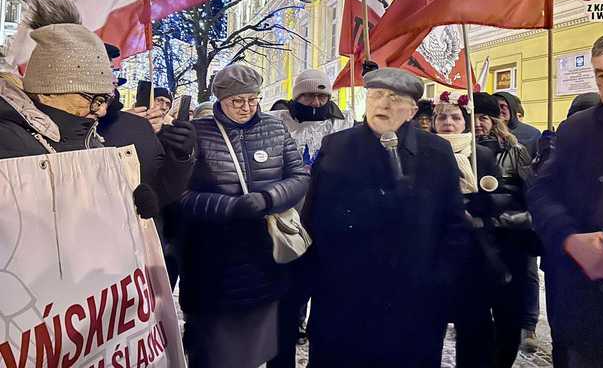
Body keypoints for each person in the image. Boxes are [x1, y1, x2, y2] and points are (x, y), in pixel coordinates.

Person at [304, 68, 469, 368]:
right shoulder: (337, 147)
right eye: (376, 95)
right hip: (345, 300)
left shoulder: (436, 152)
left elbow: (453, 224)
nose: (383, 104)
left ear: (412, 110)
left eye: (394, 98)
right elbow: (314, 218)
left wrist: (438, 280)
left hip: (412, 303)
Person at [178, 64, 310, 368]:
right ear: (219, 101)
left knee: (265, 335)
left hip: (267, 251)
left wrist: (268, 198)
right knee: (219, 343)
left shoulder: (275, 128)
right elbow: (181, 196)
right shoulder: (199, 133)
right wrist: (230, 207)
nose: (246, 107)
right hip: (215, 257)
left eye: (253, 99)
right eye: (237, 101)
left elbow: (299, 176)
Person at [528, 27, 603, 367]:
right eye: (601, 74)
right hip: (584, 308)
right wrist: (567, 236)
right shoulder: (575, 127)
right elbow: (540, 188)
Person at [0, 0, 156, 218]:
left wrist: (126, 204)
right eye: (94, 100)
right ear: (49, 90)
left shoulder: (90, 138)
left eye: (105, 99)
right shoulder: (8, 145)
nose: (101, 111)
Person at [268, 69, 353, 368]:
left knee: (328, 310)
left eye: (322, 95)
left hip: (330, 229)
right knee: (286, 308)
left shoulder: (345, 125)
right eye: (308, 95)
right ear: (296, 96)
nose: (315, 102)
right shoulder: (276, 123)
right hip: (288, 226)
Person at [98, 45, 196, 288]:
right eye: (106, 70)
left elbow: (165, 189)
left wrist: (181, 155)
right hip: (97, 261)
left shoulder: (138, 127)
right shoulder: (112, 125)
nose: (112, 80)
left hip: (145, 252)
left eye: (113, 71)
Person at [431, 91, 501, 368]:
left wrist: (482, 202)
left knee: (474, 322)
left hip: (473, 249)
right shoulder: (425, 151)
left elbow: (499, 195)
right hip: (434, 248)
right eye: (443, 117)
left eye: (455, 117)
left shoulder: (481, 154)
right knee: (429, 318)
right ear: (434, 121)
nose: (449, 122)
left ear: (465, 121)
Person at [474, 92, 535, 368]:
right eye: (472, 117)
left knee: (507, 316)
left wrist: (523, 218)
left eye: (483, 117)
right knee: (475, 318)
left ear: (495, 120)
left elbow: (532, 194)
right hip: (474, 244)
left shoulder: (516, 150)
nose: (477, 123)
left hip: (509, 242)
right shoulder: (456, 150)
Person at [492, 91, 541, 352]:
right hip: (495, 220)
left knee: (528, 272)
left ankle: (529, 322)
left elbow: (533, 177)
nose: (500, 111)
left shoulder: (530, 135)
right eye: (495, 107)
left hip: (521, 216)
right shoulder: (483, 137)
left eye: (503, 106)